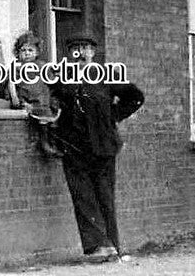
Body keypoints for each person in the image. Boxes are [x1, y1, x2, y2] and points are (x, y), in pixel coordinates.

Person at [50, 33, 145, 262]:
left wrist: (112, 117)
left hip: (103, 147)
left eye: (86, 48)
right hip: (74, 148)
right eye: (76, 49)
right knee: (83, 198)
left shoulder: (107, 76)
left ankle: (112, 247)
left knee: (105, 197)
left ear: (93, 52)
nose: (81, 53)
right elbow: (51, 104)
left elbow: (135, 97)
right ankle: (96, 247)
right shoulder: (61, 79)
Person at [7, 31, 61, 157]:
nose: (26, 53)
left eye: (30, 50)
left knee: (51, 111)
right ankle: (44, 142)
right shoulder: (17, 67)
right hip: (27, 97)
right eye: (23, 50)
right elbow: (11, 83)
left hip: (41, 97)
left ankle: (52, 141)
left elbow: (51, 81)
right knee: (39, 112)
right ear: (18, 53)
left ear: (36, 52)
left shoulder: (42, 66)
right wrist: (14, 97)